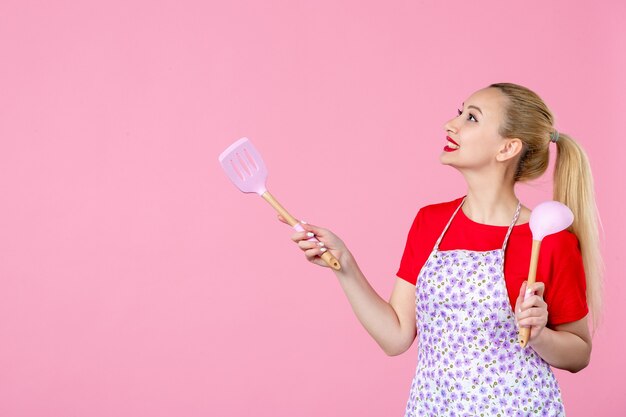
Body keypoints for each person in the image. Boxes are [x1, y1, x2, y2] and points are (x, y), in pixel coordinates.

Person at [279, 83, 602, 416]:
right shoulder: (430, 223)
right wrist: (342, 264)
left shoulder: (547, 239)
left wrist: (540, 337)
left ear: (508, 148)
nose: (451, 123)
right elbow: (396, 337)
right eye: (460, 112)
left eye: (472, 118)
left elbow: (580, 354)